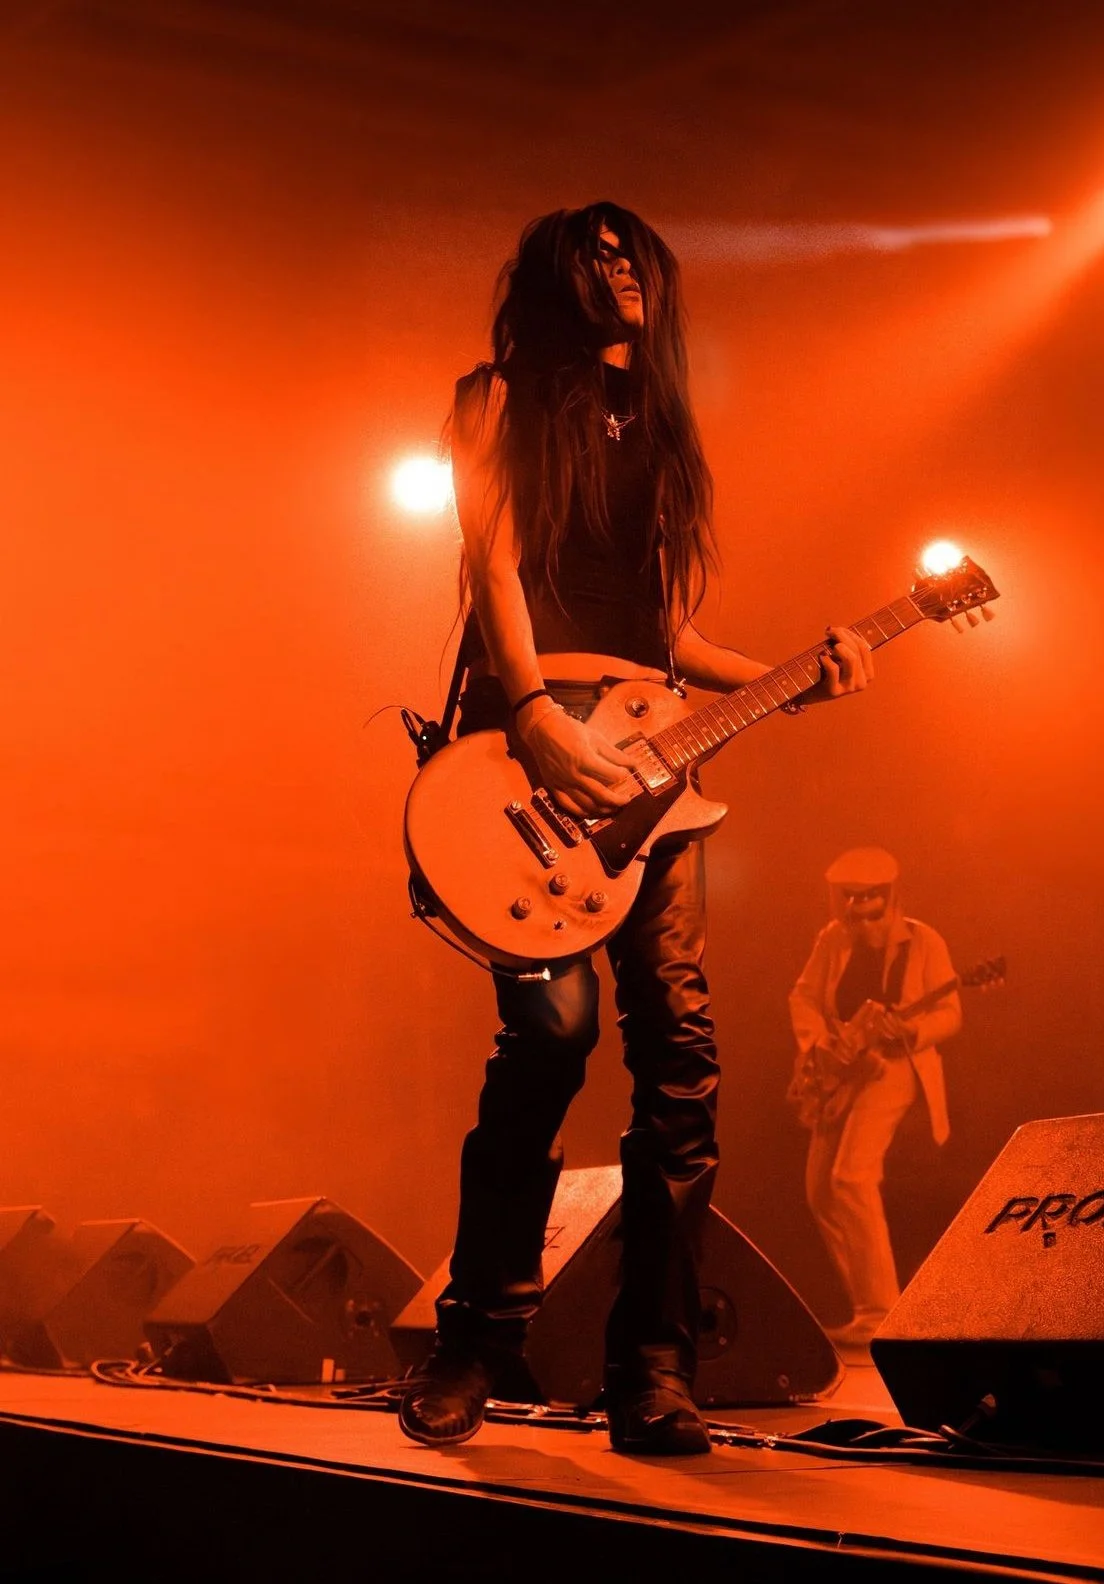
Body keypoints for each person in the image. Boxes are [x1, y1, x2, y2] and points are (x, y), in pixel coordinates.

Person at [398, 201, 873, 1456]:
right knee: (552, 1038)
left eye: (633, 255)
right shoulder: (496, 400)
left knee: (681, 1053)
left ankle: (654, 1370)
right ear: (558, 279)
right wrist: (535, 717)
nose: (620, 271)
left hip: (654, 763)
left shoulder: (658, 424)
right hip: (530, 746)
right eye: (595, 255)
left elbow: (668, 635)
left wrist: (795, 677)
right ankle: (474, 1341)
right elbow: (494, 567)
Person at [787, 847, 960, 1351]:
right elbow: (803, 997)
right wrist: (821, 1045)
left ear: (890, 899)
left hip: (895, 1066)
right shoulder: (832, 939)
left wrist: (911, 1030)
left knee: (851, 1176)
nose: (861, 920)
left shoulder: (925, 942)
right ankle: (865, 1307)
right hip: (842, 1070)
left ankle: (880, 1313)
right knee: (820, 1192)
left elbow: (950, 1013)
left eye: (871, 908)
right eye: (851, 906)